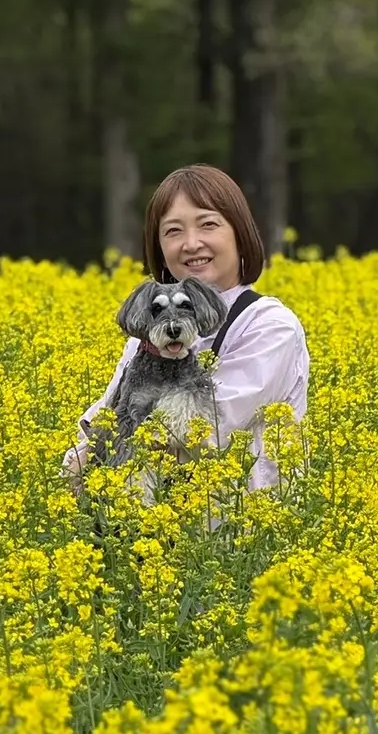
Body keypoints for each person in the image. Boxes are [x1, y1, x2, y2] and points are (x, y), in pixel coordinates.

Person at [63, 164, 310, 492]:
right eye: (173, 231)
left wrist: (120, 442)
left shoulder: (270, 326)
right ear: (160, 249)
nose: (191, 244)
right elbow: (104, 420)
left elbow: (207, 428)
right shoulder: (145, 335)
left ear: (239, 233)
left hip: (240, 515)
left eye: (208, 224)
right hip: (144, 518)